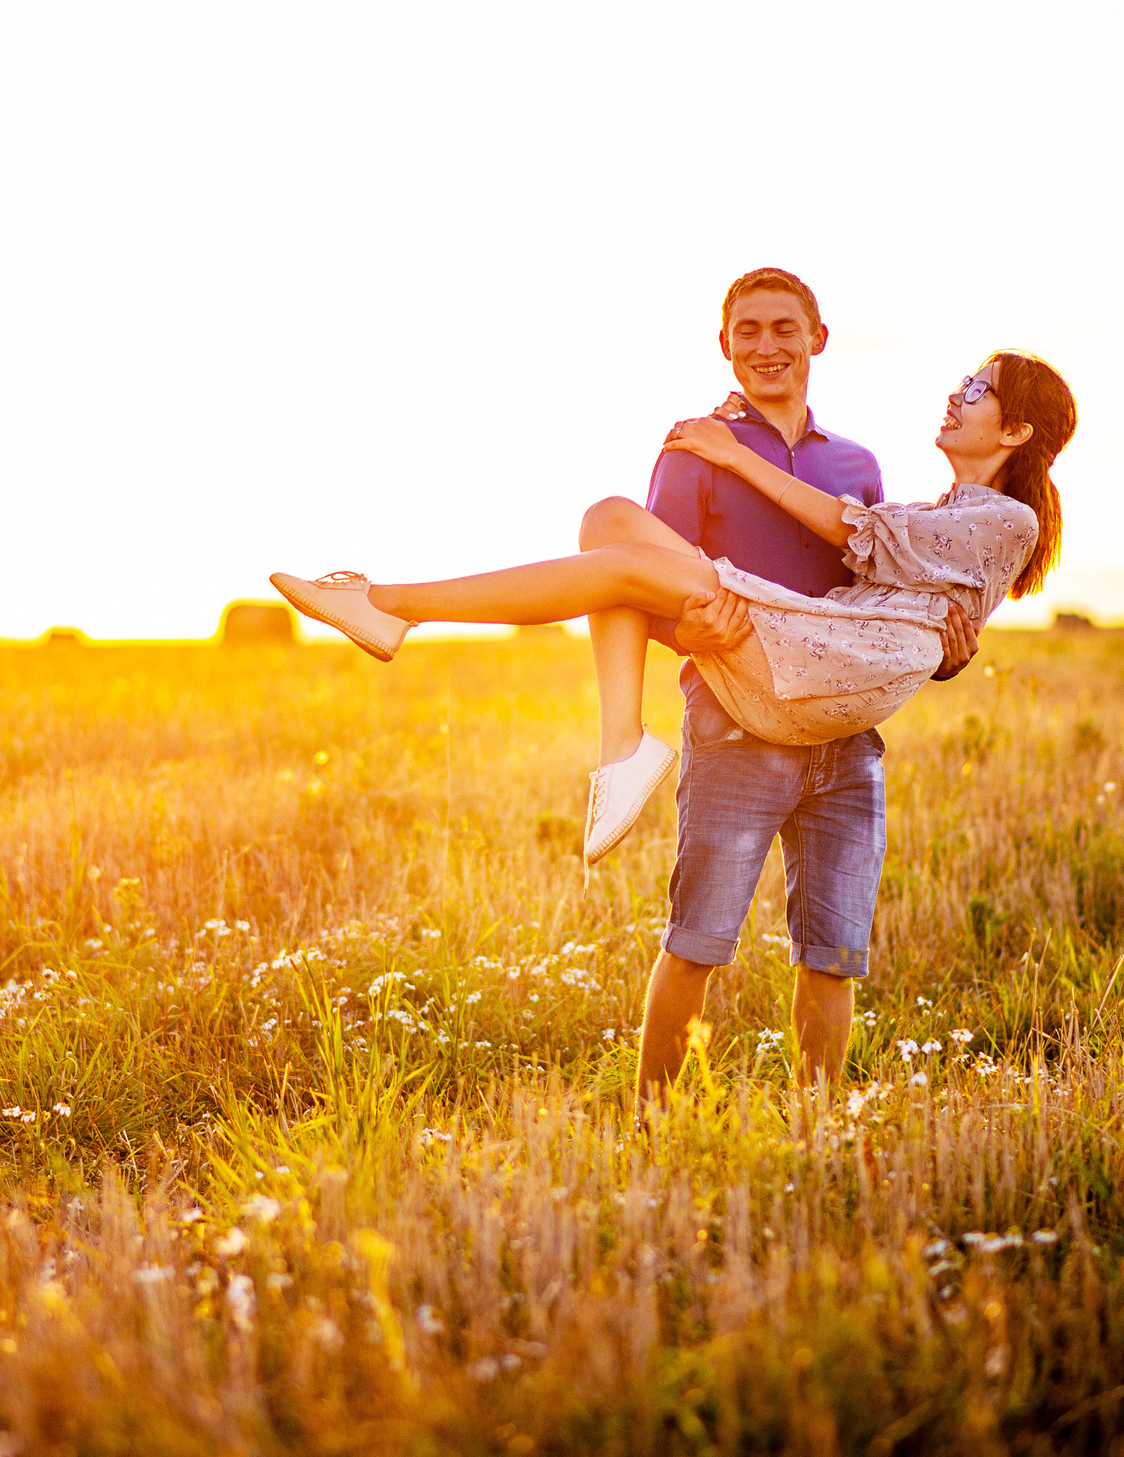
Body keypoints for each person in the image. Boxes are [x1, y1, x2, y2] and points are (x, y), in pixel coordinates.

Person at [271, 268, 1077, 1097]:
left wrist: (953, 647)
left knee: (831, 955)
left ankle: (392, 605)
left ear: (817, 340)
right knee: (609, 528)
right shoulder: (696, 451)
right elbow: (648, 589)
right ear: (725, 345)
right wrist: (696, 625)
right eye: (748, 330)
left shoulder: (865, 469)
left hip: (825, 696)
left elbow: (875, 568)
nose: (766, 345)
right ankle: (617, 745)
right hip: (740, 698)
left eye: (783, 328)